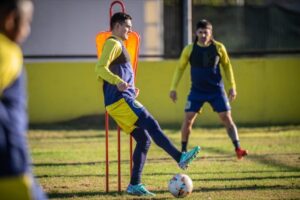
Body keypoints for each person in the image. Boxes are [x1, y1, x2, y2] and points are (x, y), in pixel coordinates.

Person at [95, 12, 200, 196]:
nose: (130, 30)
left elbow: (118, 71)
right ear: (118, 25)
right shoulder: (113, 43)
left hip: (122, 99)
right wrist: (117, 81)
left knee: (144, 140)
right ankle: (180, 157)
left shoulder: (120, 44)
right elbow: (99, 68)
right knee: (151, 123)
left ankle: (134, 184)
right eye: (127, 26)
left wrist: (129, 88)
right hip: (119, 101)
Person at [169, 19, 248, 160]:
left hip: (216, 91)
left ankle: (238, 148)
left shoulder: (219, 47)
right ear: (196, 33)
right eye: (200, 32)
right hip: (196, 92)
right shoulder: (190, 49)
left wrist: (232, 87)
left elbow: (227, 66)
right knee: (188, 120)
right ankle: (183, 152)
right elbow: (180, 68)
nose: (203, 35)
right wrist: (173, 88)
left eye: (206, 32)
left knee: (226, 118)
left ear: (211, 33)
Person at [0, 0, 47, 199]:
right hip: (8, 165)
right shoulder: (7, 52)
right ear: (11, 20)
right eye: (27, 22)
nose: (27, 30)